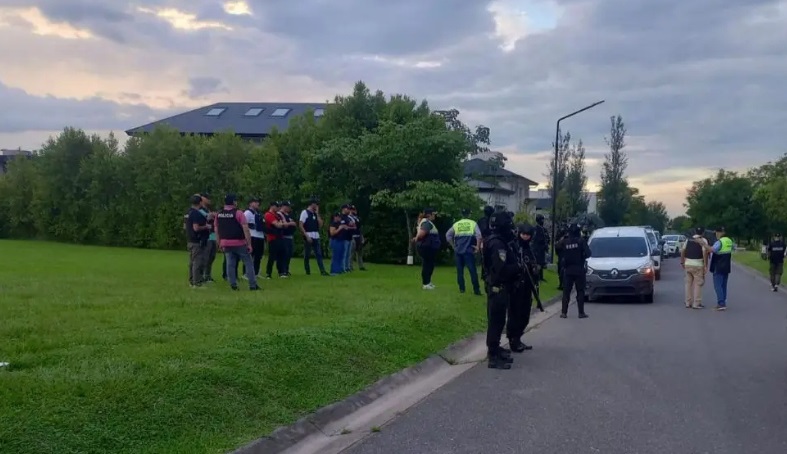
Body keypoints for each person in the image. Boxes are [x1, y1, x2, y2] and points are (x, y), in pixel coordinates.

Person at [482, 211, 520, 369]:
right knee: (496, 321)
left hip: (500, 287)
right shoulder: (497, 244)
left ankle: (496, 348)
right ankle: (493, 355)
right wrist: (518, 268)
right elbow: (501, 270)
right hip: (498, 287)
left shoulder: (497, 241)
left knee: (498, 320)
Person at [215, 194, 259, 291]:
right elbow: (246, 229)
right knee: (248, 262)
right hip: (239, 242)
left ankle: (233, 285)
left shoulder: (219, 214)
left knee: (230, 264)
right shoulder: (238, 213)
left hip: (225, 242)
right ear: (234, 202)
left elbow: (217, 229)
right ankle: (253, 285)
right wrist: (249, 244)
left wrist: (219, 243)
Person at [507, 223, 537, 352]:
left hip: (528, 285)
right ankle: (513, 340)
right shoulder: (513, 247)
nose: (525, 237)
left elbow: (533, 265)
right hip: (516, 286)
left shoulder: (529, 248)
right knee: (515, 314)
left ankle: (518, 338)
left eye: (528, 235)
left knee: (525, 315)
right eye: (523, 234)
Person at [557, 223, 591, 318]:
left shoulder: (564, 241)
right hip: (579, 269)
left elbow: (557, 248)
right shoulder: (581, 241)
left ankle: (564, 312)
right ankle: (581, 313)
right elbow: (588, 253)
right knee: (580, 291)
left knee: (566, 291)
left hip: (568, 269)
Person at [445, 209, 482, 295]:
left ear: (462, 214)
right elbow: (479, 235)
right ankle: (476, 290)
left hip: (458, 251)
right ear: (469, 214)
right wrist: (477, 247)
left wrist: (453, 246)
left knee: (460, 271)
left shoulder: (456, 224)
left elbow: (448, 235)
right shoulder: (473, 223)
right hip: (468, 251)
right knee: (472, 270)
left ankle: (462, 289)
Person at [185, 194, 211, 289]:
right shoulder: (196, 213)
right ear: (200, 202)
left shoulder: (188, 212)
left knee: (192, 262)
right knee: (197, 262)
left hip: (190, 240)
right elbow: (196, 227)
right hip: (197, 241)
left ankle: (192, 281)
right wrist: (206, 227)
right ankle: (197, 282)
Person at [680, 226, 709, 309]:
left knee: (688, 284)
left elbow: (683, 251)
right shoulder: (703, 240)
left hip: (688, 263)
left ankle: (688, 302)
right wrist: (705, 265)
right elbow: (704, 253)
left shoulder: (688, 240)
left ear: (695, 231)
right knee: (698, 284)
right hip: (698, 264)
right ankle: (696, 303)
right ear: (703, 232)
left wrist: (682, 262)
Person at [413, 208, 441, 290]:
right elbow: (422, 233)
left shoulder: (425, 222)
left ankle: (428, 282)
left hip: (428, 247)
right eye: (433, 214)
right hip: (427, 247)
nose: (434, 215)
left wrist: (416, 238)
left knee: (429, 264)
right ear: (429, 215)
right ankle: (426, 284)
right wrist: (417, 238)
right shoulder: (426, 223)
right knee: (427, 265)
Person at [300, 198, 329, 276]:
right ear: (312, 204)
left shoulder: (315, 214)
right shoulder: (305, 212)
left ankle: (322, 271)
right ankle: (307, 271)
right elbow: (301, 225)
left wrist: (317, 214)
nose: (316, 206)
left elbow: (320, 225)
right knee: (307, 254)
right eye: (315, 204)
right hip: (308, 234)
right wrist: (306, 235)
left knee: (318, 254)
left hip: (316, 235)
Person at [707, 226, 733, 311]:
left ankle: (721, 303)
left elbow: (712, 250)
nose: (716, 234)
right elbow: (732, 249)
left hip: (718, 266)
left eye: (716, 233)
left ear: (719, 233)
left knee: (718, 286)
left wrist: (703, 244)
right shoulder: (729, 241)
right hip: (726, 267)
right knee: (723, 286)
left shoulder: (719, 242)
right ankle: (723, 302)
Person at [244, 197, 266, 278]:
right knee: (251, 255)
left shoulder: (258, 213)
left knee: (258, 256)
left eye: (258, 202)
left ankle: (256, 272)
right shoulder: (247, 213)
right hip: (253, 235)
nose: (257, 204)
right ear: (250, 203)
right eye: (255, 202)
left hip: (260, 235)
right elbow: (244, 224)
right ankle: (246, 273)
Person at [263, 201, 287, 279]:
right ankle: (268, 273)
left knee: (281, 254)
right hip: (273, 237)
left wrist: (281, 223)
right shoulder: (268, 215)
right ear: (272, 206)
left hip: (280, 237)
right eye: (276, 206)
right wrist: (281, 223)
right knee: (272, 256)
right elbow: (277, 225)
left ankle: (281, 272)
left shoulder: (277, 215)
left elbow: (284, 224)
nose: (278, 208)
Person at [199, 193, 218, 283]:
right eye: (207, 198)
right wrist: (211, 215)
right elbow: (207, 217)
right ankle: (201, 276)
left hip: (213, 236)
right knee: (205, 257)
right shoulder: (200, 210)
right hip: (207, 236)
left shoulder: (208, 209)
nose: (209, 200)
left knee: (212, 257)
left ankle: (207, 275)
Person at [279, 201, 297, 276]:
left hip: (290, 236)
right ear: (284, 206)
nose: (289, 208)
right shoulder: (280, 214)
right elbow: (284, 225)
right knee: (285, 254)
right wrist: (290, 223)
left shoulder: (289, 215)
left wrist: (290, 223)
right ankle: (282, 270)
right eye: (288, 206)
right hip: (284, 236)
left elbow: (294, 223)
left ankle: (286, 269)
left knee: (289, 253)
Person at [348, 205, 367, 271]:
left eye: (354, 209)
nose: (353, 211)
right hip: (353, 236)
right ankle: (350, 266)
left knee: (360, 252)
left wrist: (362, 236)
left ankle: (361, 266)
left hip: (358, 236)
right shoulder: (348, 218)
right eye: (352, 210)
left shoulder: (357, 218)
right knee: (351, 252)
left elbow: (359, 228)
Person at [532, 213, 549, 282]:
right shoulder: (537, 229)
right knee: (538, 263)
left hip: (541, 249)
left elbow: (546, 238)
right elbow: (538, 239)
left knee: (541, 263)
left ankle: (541, 277)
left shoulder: (542, 229)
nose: (543, 221)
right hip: (537, 248)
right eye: (542, 220)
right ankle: (537, 277)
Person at [340, 204, 356, 272]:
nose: (349, 210)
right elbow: (344, 227)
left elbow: (353, 224)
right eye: (347, 209)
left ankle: (347, 267)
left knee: (348, 254)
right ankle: (342, 268)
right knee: (344, 253)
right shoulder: (341, 217)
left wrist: (351, 226)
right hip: (344, 237)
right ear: (343, 209)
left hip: (349, 237)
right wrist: (351, 227)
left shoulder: (348, 217)